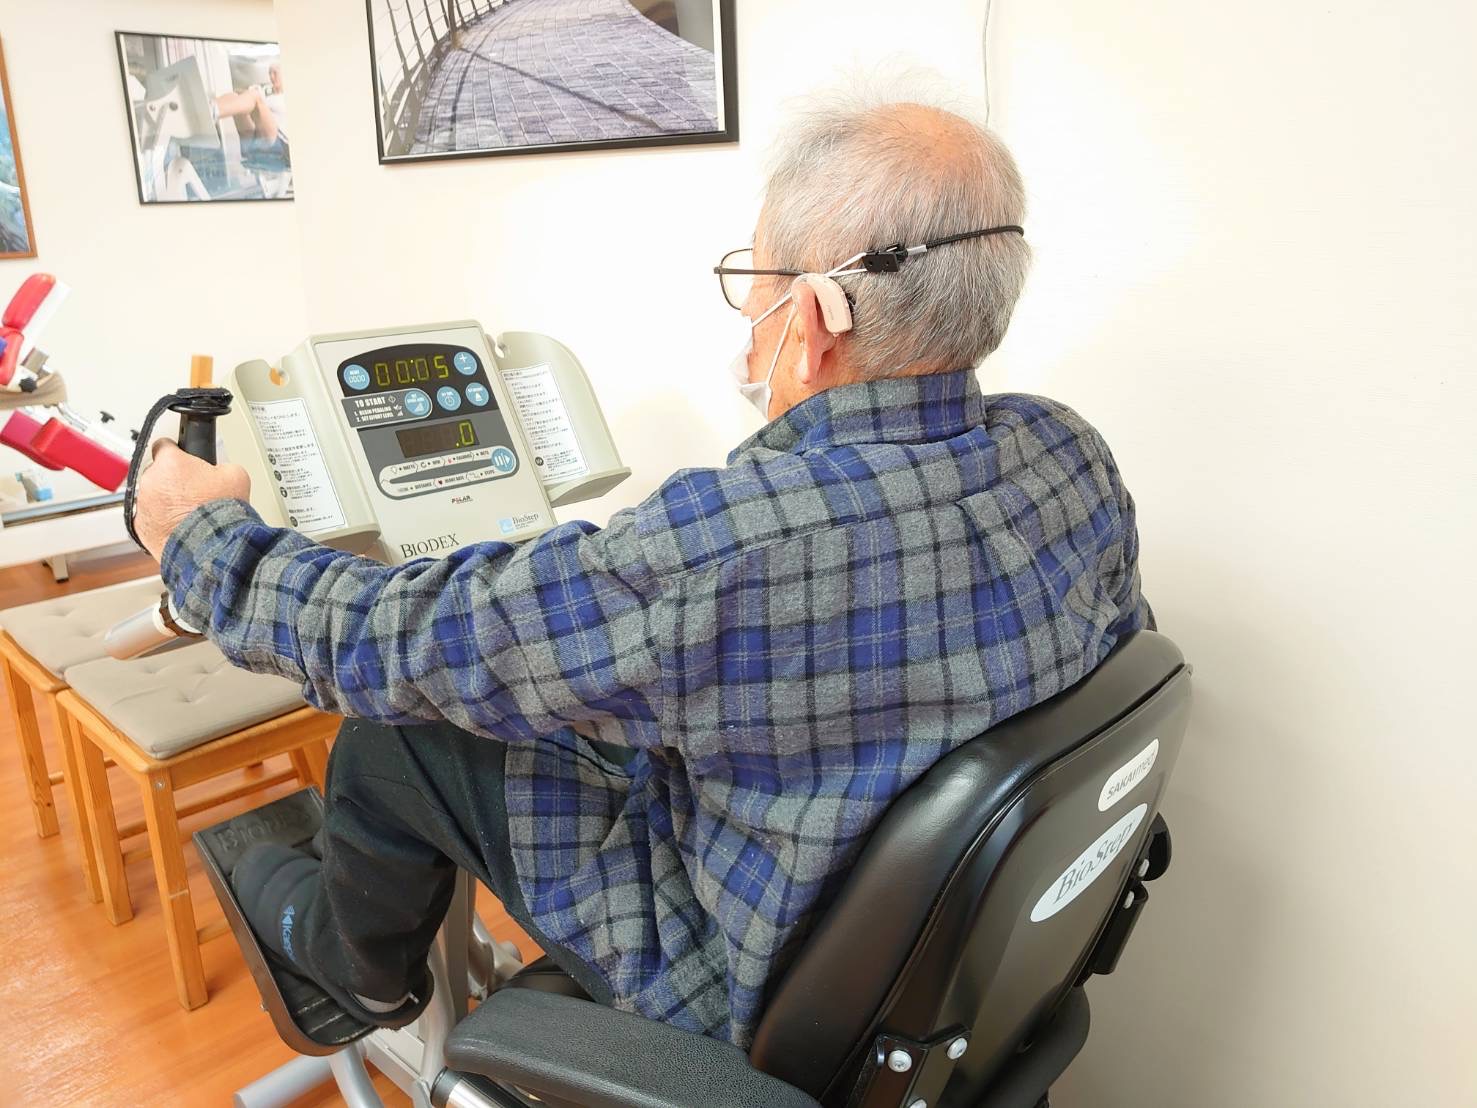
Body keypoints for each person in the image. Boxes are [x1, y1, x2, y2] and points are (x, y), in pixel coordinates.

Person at [134, 95, 1151, 1048]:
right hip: (930, 973)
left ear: (812, 318)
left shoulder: (734, 541)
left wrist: (202, 538)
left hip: (737, 977)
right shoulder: (1070, 454)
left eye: (754, 286)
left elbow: (403, 642)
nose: (749, 319)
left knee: (396, 731)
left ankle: (352, 974)